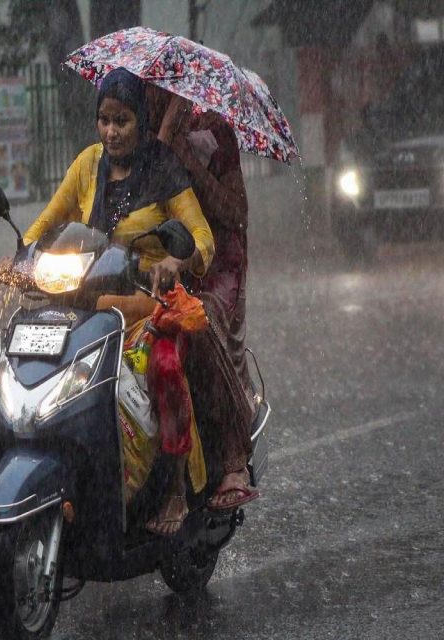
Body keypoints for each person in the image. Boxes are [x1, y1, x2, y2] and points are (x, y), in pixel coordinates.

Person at [14, 68, 215, 535]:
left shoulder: (163, 167)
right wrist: (21, 259)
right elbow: (46, 223)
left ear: (140, 121)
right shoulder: (88, 164)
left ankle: (174, 490)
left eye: (121, 120)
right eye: (104, 120)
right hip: (89, 305)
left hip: (149, 308)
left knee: (164, 369)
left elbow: (202, 237)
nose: (111, 131)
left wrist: (174, 263)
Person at [147, 87, 260, 511]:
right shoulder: (131, 134)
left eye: (166, 95)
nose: (157, 100)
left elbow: (236, 212)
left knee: (203, 318)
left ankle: (233, 457)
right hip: (158, 250)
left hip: (214, 255)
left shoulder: (213, 130)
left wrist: (185, 159)